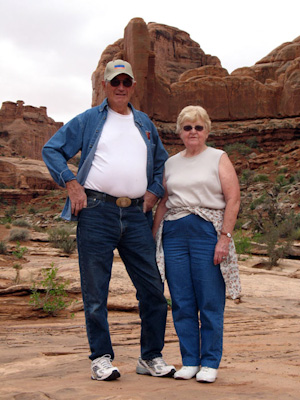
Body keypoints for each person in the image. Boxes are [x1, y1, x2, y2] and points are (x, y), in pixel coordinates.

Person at [42, 59, 176, 381]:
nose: (120, 88)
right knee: (95, 293)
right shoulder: (90, 120)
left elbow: (162, 163)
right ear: (105, 85)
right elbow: (52, 149)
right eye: (115, 82)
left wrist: (154, 191)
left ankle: (150, 356)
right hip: (97, 212)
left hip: (135, 215)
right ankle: (101, 357)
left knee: (153, 290)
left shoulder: (144, 123)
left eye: (126, 82)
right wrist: (72, 185)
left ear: (133, 86)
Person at [152, 105, 241, 383]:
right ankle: (190, 360)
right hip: (175, 233)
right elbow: (164, 202)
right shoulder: (171, 162)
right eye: (187, 127)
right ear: (180, 131)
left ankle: (210, 362)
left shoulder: (218, 157)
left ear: (207, 131)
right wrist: (153, 237)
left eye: (198, 127)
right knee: (181, 300)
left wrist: (223, 238)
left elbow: (233, 199)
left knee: (210, 299)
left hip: (207, 231)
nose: (193, 132)